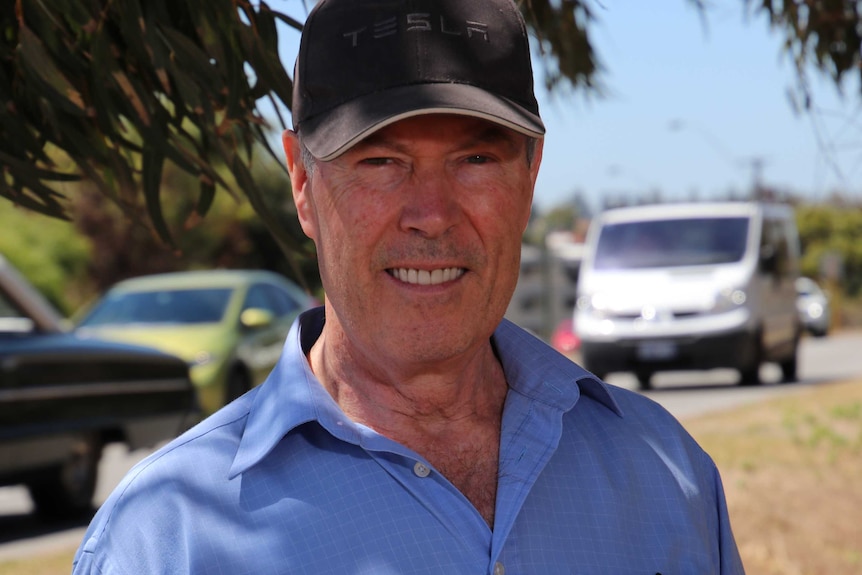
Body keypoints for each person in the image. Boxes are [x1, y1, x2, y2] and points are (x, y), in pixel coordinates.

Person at [72, 0, 745, 573]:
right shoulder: (166, 540)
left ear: (531, 172)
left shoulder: (664, 473)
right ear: (302, 184)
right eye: (381, 160)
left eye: (475, 158)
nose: (432, 214)